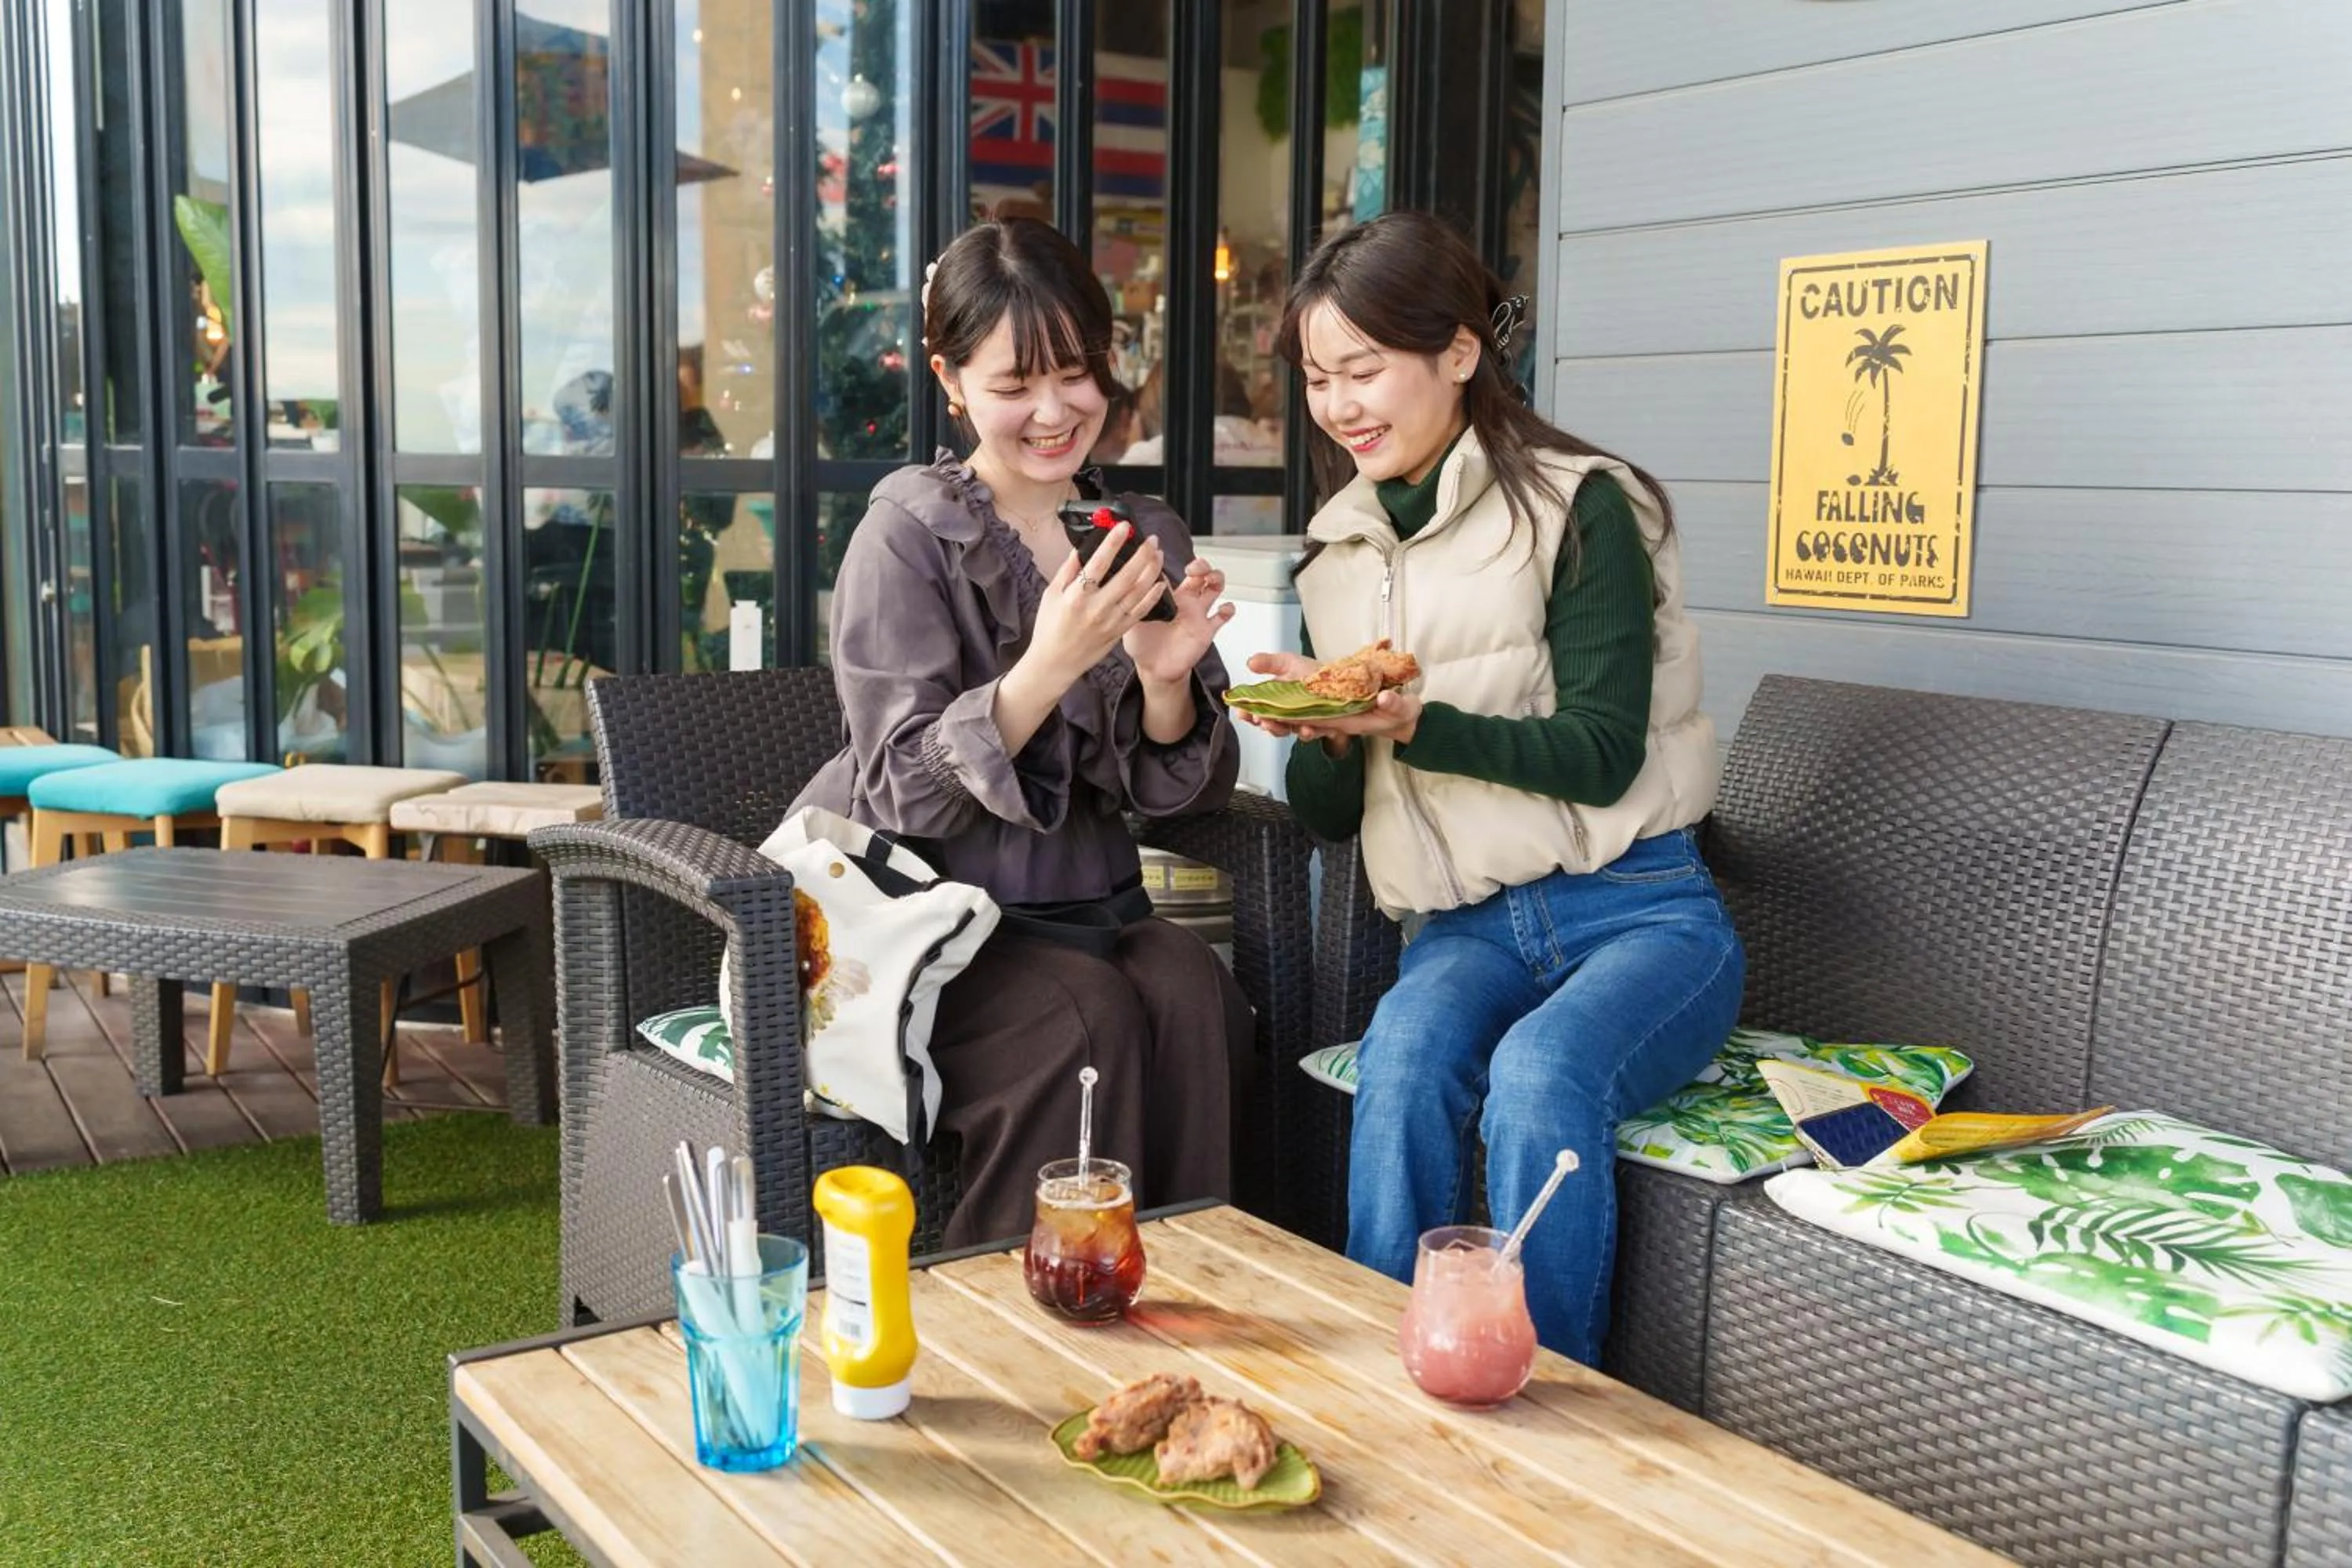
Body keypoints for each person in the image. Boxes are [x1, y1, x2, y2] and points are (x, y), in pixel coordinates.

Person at [1236, 210, 1744, 1363]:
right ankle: (1383, 1372)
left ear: (1459, 352)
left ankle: (1545, 1391)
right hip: (1462, 933)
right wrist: (1318, 731)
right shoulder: (1338, 556)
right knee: (1402, 1059)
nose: (1339, 404)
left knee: (1537, 1074)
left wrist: (1414, 722)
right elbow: (1330, 821)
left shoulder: (1580, 507)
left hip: (1645, 917)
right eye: (1319, 378)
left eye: (1363, 369)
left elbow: (1605, 749)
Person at [793, 216, 1253, 1248]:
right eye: (1014, 384)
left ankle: (1191, 1287)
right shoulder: (909, 536)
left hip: (1091, 907)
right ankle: (1022, 1320)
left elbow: (1174, 785)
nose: (1055, 412)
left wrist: (1164, 680)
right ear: (949, 379)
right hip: (928, 929)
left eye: (1077, 372)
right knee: (1080, 1020)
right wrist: (1048, 664)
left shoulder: (1141, 533)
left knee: (1192, 996)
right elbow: (901, 790)